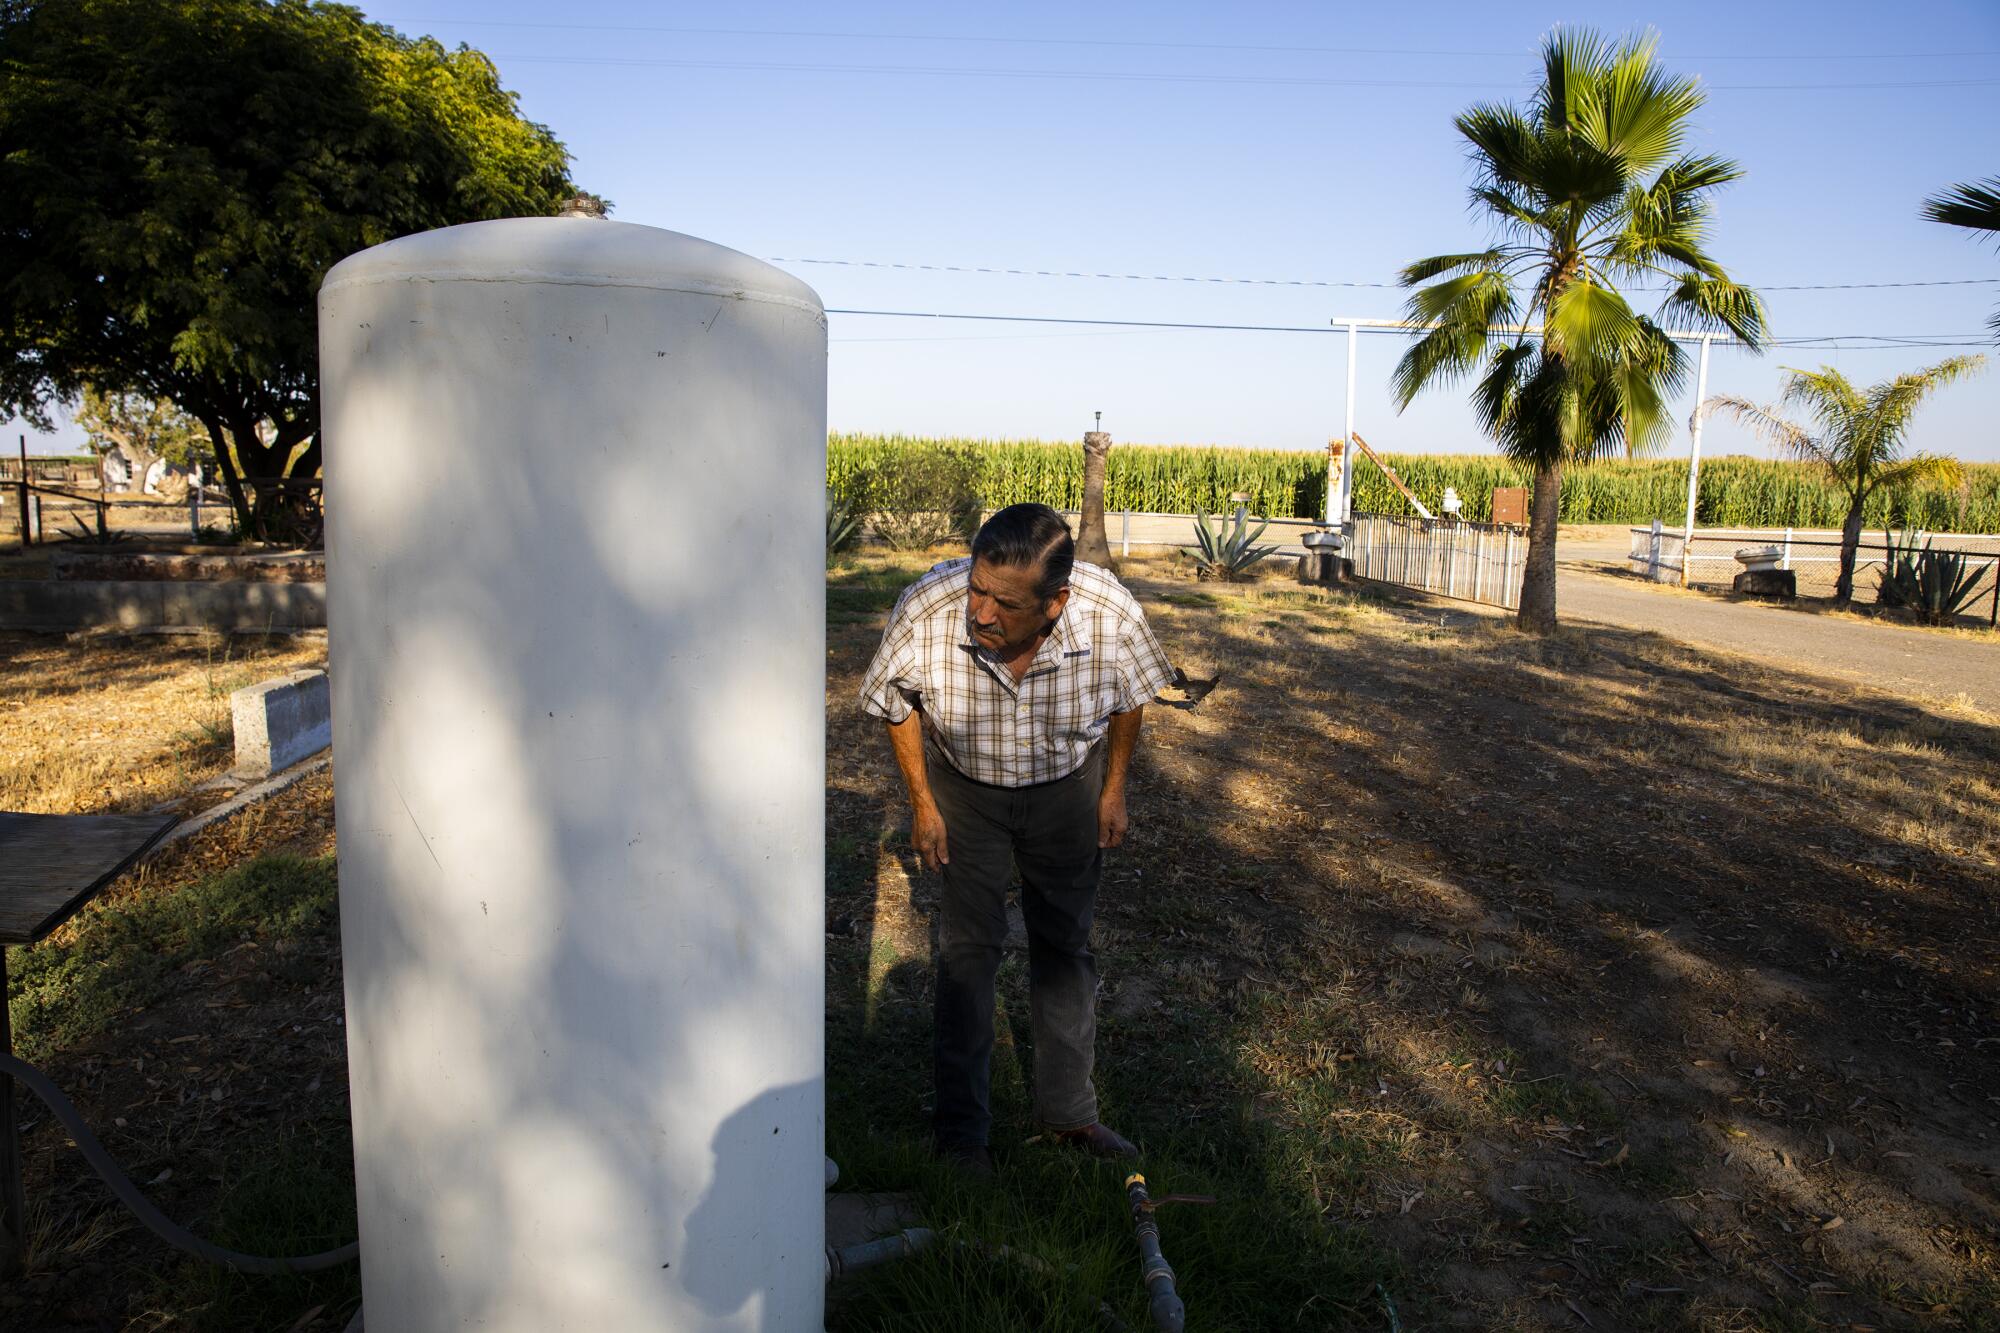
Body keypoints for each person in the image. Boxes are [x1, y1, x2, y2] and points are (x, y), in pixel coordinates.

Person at [857, 503, 1176, 1178]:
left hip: (1066, 789)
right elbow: (895, 700)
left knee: (1064, 946)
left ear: (1055, 602)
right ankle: (961, 1133)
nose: (980, 612)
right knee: (968, 952)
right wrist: (923, 803)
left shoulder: (1108, 612)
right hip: (965, 792)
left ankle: (1069, 1114)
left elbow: (1130, 695)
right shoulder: (927, 606)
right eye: (977, 589)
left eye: (1004, 601)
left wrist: (1113, 788)